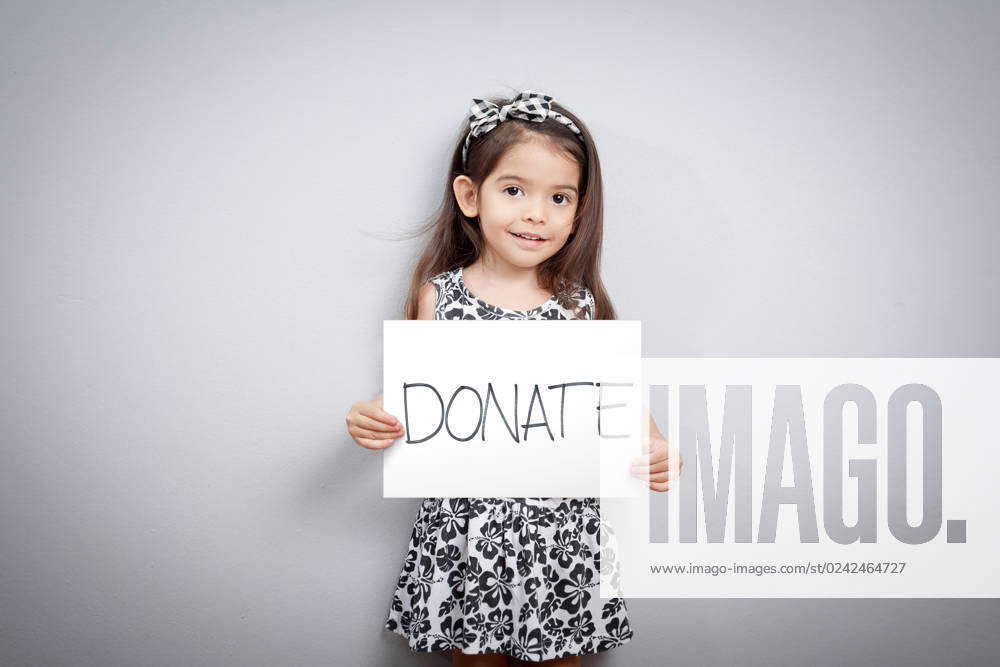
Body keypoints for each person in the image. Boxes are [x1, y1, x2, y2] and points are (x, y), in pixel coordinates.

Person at [345, 90, 682, 665]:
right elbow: (422, 392)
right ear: (470, 196)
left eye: (558, 197)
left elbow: (619, 399)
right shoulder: (441, 298)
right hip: (467, 529)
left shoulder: (579, 306)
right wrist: (372, 415)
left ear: (579, 211)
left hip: (563, 534)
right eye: (514, 190)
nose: (536, 213)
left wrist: (654, 446)